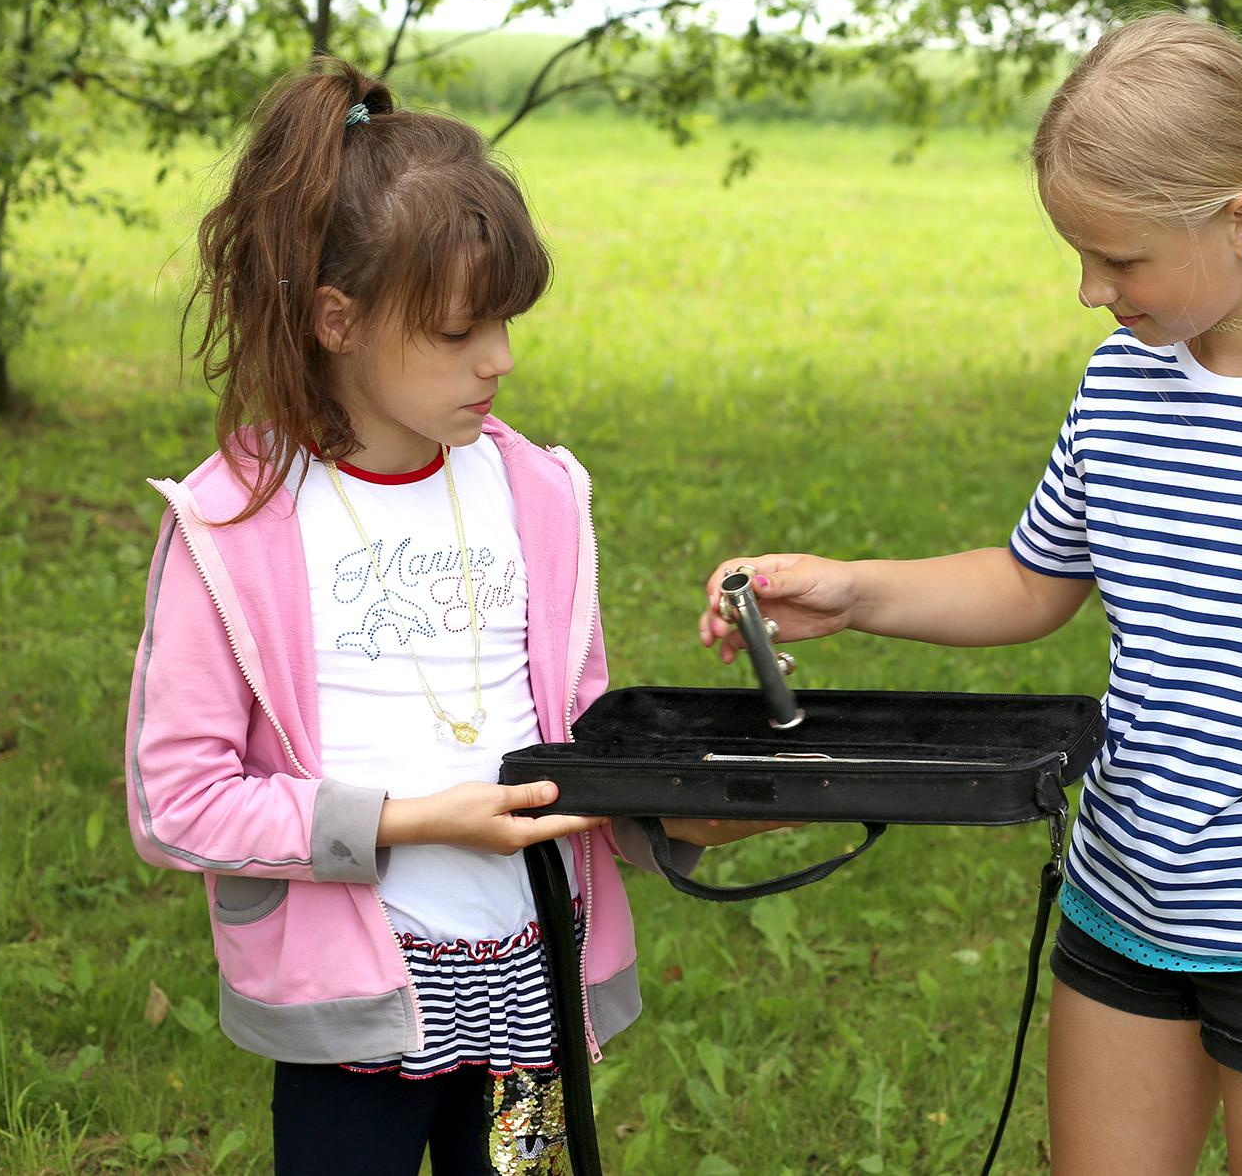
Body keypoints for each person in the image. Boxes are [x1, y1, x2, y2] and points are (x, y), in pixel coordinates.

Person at [699, 13, 1242, 1176]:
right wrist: (852, 591)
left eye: (1118, 259)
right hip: (1125, 902)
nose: (1088, 291)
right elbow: (1030, 579)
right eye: (1079, 254)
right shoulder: (1124, 377)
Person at [126, 58, 764, 1176]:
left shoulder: (540, 494)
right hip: (355, 1021)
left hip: (532, 1013)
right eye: (460, 330)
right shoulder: (233, 523)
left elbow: (576, 741)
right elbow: (179, 801)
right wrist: (412, 821)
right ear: (338, 318)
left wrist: (689, 809)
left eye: (507, 322)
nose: (499, 360)